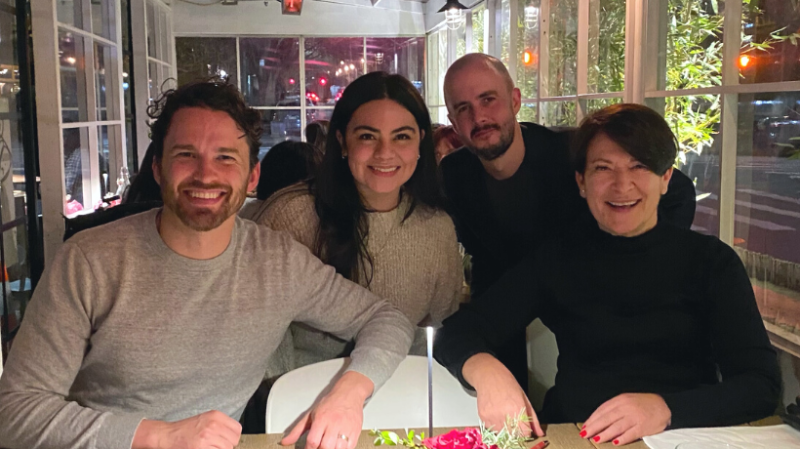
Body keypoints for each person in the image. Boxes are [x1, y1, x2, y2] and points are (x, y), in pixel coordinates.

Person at [0, 79, 414, 449]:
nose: (205, 175)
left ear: (252, 178)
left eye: (225, 158)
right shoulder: (89, 260)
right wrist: (158, 436)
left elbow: (387, 320)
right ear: (159, 169)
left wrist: (348, 394)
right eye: (186, 155)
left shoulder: (277, 262)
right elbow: (15, 414)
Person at [435, 104, 780, 445]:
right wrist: (486, 371)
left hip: (684, 436)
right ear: (581, 182)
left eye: (639, 166)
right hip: (577, 433)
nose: (621, 185)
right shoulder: (557, 257)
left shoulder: (712, 262)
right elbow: (458, 334)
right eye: (603, 168)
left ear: (665, 179)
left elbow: (760, 385)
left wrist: (665, 408)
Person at [439, 53, 698, 389]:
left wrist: (632, 263)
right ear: (453, 122)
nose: (479, 116)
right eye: (463, 108)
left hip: (587, 283)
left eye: (489, 99)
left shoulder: (574, 151)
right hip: (513, 288)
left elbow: (676, 191)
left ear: (515, 101)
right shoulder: (453, 174)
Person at [248, 71, 464, 375]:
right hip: (300, 398)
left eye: (401, 136)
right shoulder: (293, 215)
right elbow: (258, 329)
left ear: (420, 143)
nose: (385, 153)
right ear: (342, 142)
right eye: (367, 136)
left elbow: (436, 334)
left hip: (397, 396)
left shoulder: (437, 228)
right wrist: (287, 396)